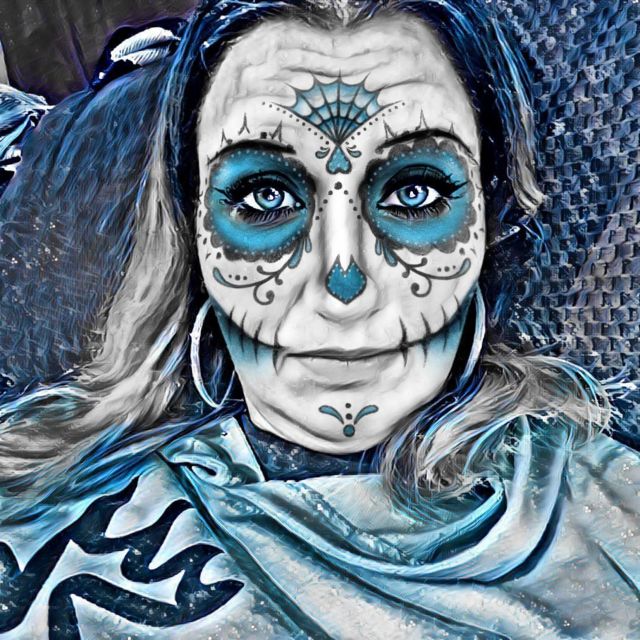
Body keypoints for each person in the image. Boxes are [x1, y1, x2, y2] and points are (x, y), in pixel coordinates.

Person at [0, 1, 638, 638]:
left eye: (413, 192)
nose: (343, 287)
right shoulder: (35, 492)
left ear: (488, 220)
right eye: (266, 196)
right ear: (191, 232)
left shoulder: (611, 502)